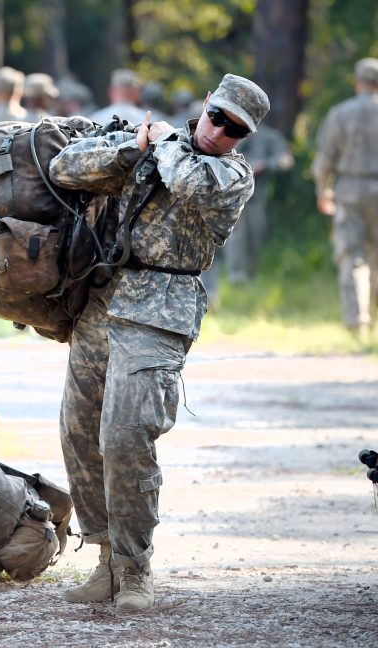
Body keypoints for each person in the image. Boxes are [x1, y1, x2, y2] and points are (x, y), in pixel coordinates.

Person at [48, 73, 270, 612]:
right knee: (79, 431)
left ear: (243, 138)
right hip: (105, 297)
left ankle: (135, 566)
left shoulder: (231, 176)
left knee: (125, 436)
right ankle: (104, 558)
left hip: (162, 311)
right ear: (207, 106)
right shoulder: (153, 142)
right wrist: (131, 147)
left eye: (234, 129)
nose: (219, 132)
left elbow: (190, 182)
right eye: (217, 117)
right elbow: (65, 168)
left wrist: (163, 142)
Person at [312, 57, 378, 337]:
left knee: (353, 256)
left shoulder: (340, 113)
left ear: (357, 82)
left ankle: (357, 324)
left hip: (350, 191)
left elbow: (324, 160)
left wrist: (322, 190)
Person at [221, 124, 293, 283]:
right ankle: (237, 275)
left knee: (256, 233)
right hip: (231, 196)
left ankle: (252, 273)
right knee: (234, 235)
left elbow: (285, 159)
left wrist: (264, 164)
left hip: (257, 197)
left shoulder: (268, 136)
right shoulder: (226, 132)